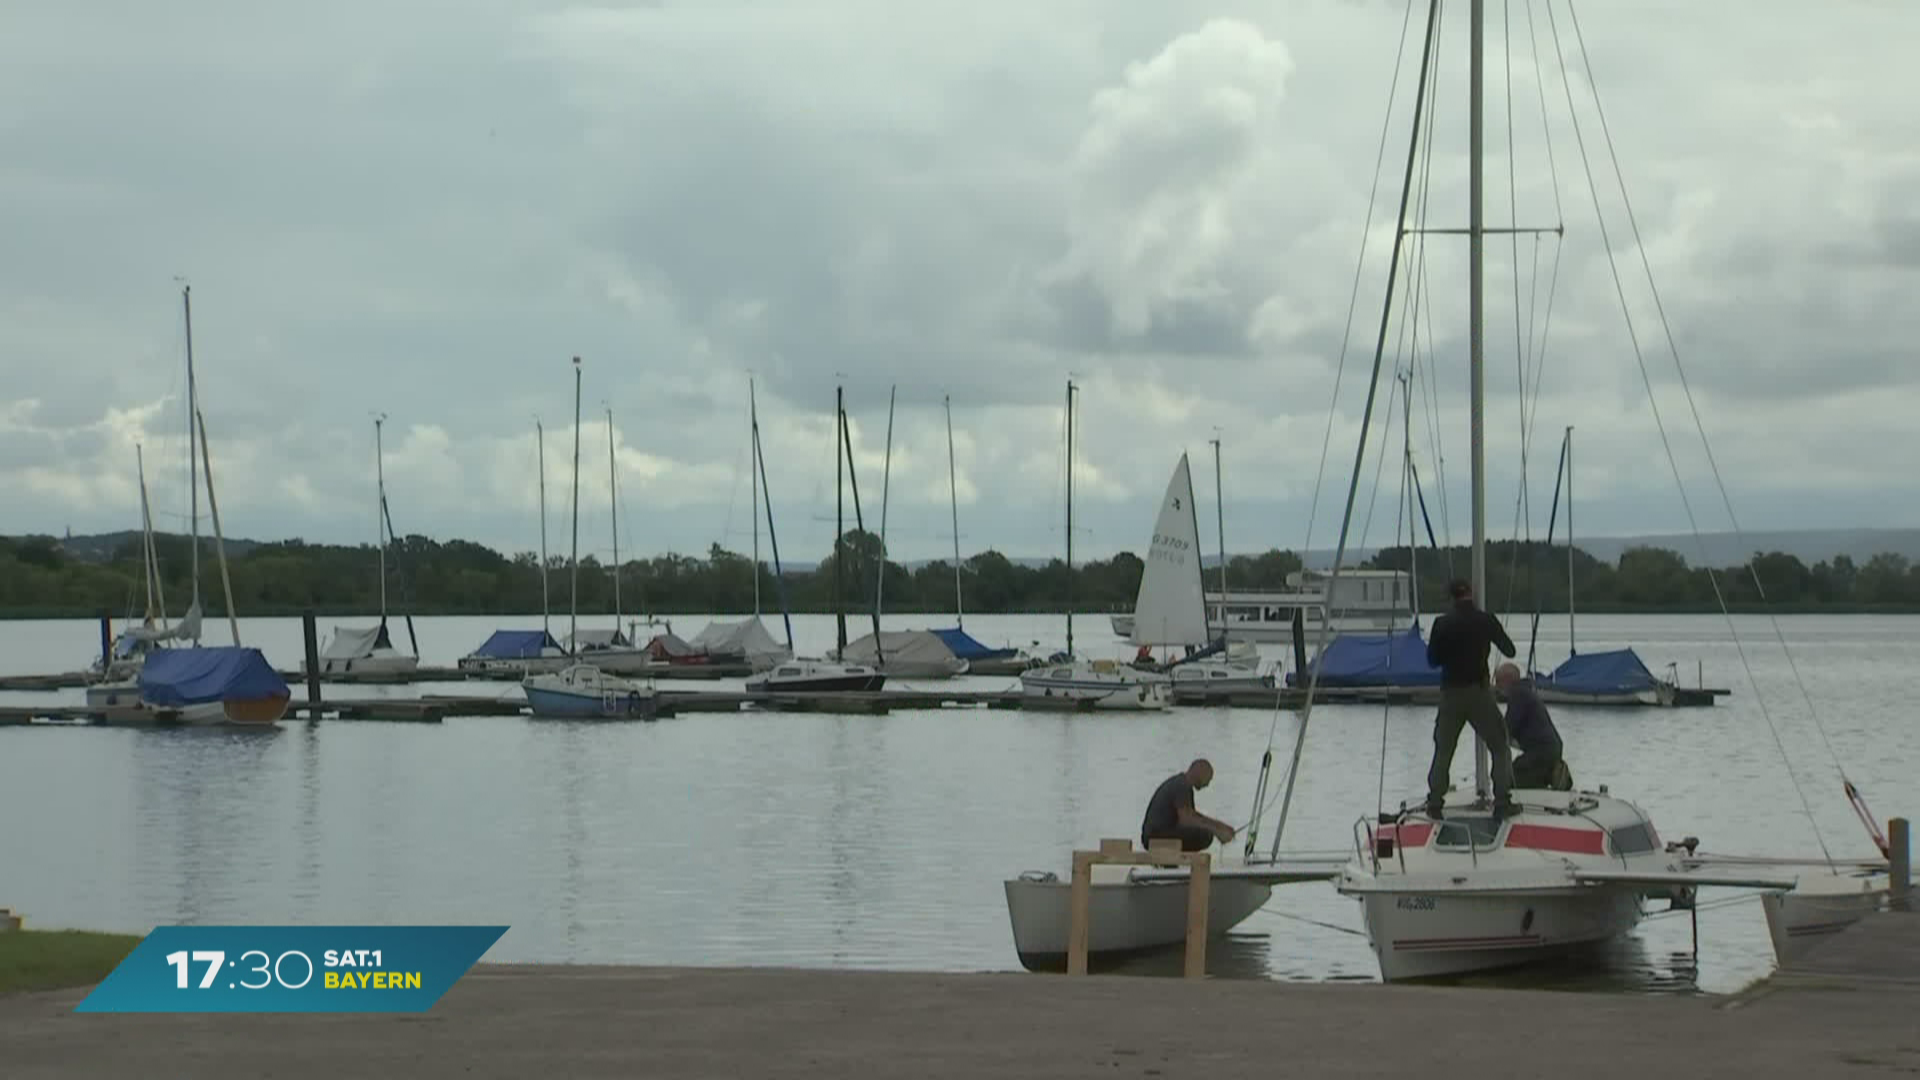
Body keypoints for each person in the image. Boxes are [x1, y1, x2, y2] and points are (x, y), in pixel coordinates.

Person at [1423, 578, 1518, 818]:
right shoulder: (1486, 620)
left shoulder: (1441, 624)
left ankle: (1435, 803)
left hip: (1451, 694)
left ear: (1451, 597)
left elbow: (1432, 661)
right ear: (1471, 594)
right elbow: (1509, 650)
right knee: (1499, 745)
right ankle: (1502, 801)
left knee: (1443, 750)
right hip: (1479, 694)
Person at [1496, 662, 1571, 791]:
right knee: (1525, 772)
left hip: (1541, 751)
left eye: (1498, 681)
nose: (1497, 686)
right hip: (1551, 748)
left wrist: (1493, 732)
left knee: (1511, 776)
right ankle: (1551, 776)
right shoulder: (1526, 691)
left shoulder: (1518, 694)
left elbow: (1509, 726)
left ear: (1507, 680)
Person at [1140, 759, 1237, 852]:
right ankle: (1174, 860)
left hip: (1156, 834)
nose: (1207, 784)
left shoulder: (1182, 783)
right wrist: (1216, 831)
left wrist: (1219, 826)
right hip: (1155, 837)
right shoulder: (1181, 785)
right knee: (1204, 836)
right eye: (1208, 779)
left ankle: (1172, 863)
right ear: (1200, 772)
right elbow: (1186, 820)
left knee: (1203, 831)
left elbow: (1192, 816)